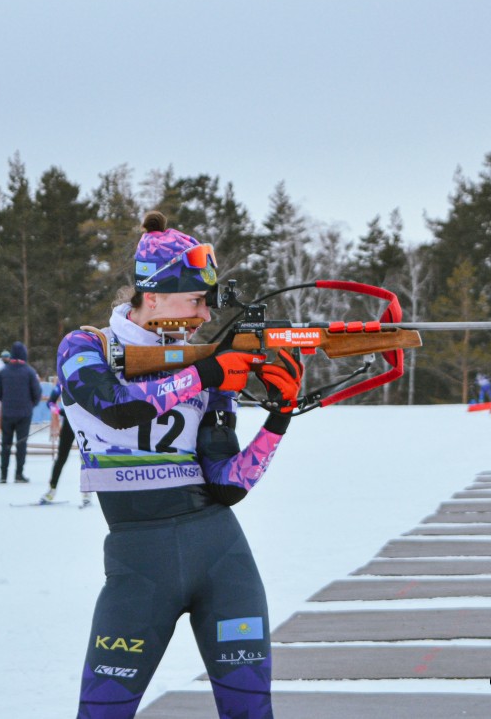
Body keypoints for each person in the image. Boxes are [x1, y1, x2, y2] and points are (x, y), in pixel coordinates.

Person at [57, 211, 302, 718]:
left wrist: (279, 418)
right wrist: (205, 371)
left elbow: (228, 485)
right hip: (138, 562)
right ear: (156, 294)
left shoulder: (200, 361)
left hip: (222, 555)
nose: (204, 315)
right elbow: (119, 410)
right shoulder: (86, 347)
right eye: (196, 300)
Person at [0, 341, 42, 483]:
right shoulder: (29, 372)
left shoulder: (3, 372)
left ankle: (3, 475)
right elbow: (37, 393)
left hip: (7, 413)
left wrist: (6, 401)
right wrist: (31, 405)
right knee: (21, 444)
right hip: (24, 414)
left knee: (5, 444)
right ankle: (19, 474)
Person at [40, 381, 88, 507]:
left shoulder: (84, 377)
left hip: (83, 424)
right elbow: (50, 402)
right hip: (69, 424)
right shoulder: (62, 382)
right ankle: (51, 490)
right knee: (61, 457)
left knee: (84, 458)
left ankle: (87, 493)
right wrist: (60, 411)